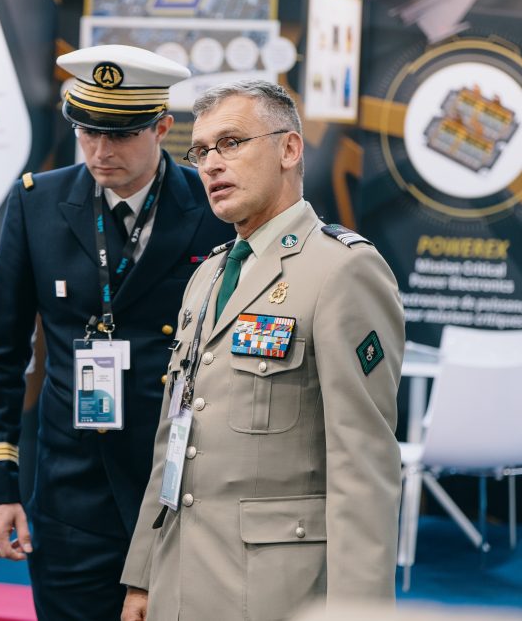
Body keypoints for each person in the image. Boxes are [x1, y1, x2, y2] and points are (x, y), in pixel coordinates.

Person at [121, 80, 404, 621]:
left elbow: (363, 467)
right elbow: (174, 437)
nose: (210, 164)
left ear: (289, 149)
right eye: (200, 151)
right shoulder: (208, 275)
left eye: (231, 143)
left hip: (277, 593)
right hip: (179, 580)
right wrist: (143, 575)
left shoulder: (342, 271)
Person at [0, 44, 233, 620]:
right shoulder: (38, 203)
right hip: (74, 493)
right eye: (87, 131)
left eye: (120, 134)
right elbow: (0, 352)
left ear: (161, 128)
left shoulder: (214, 208)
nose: (100, 150)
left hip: (181, 488)